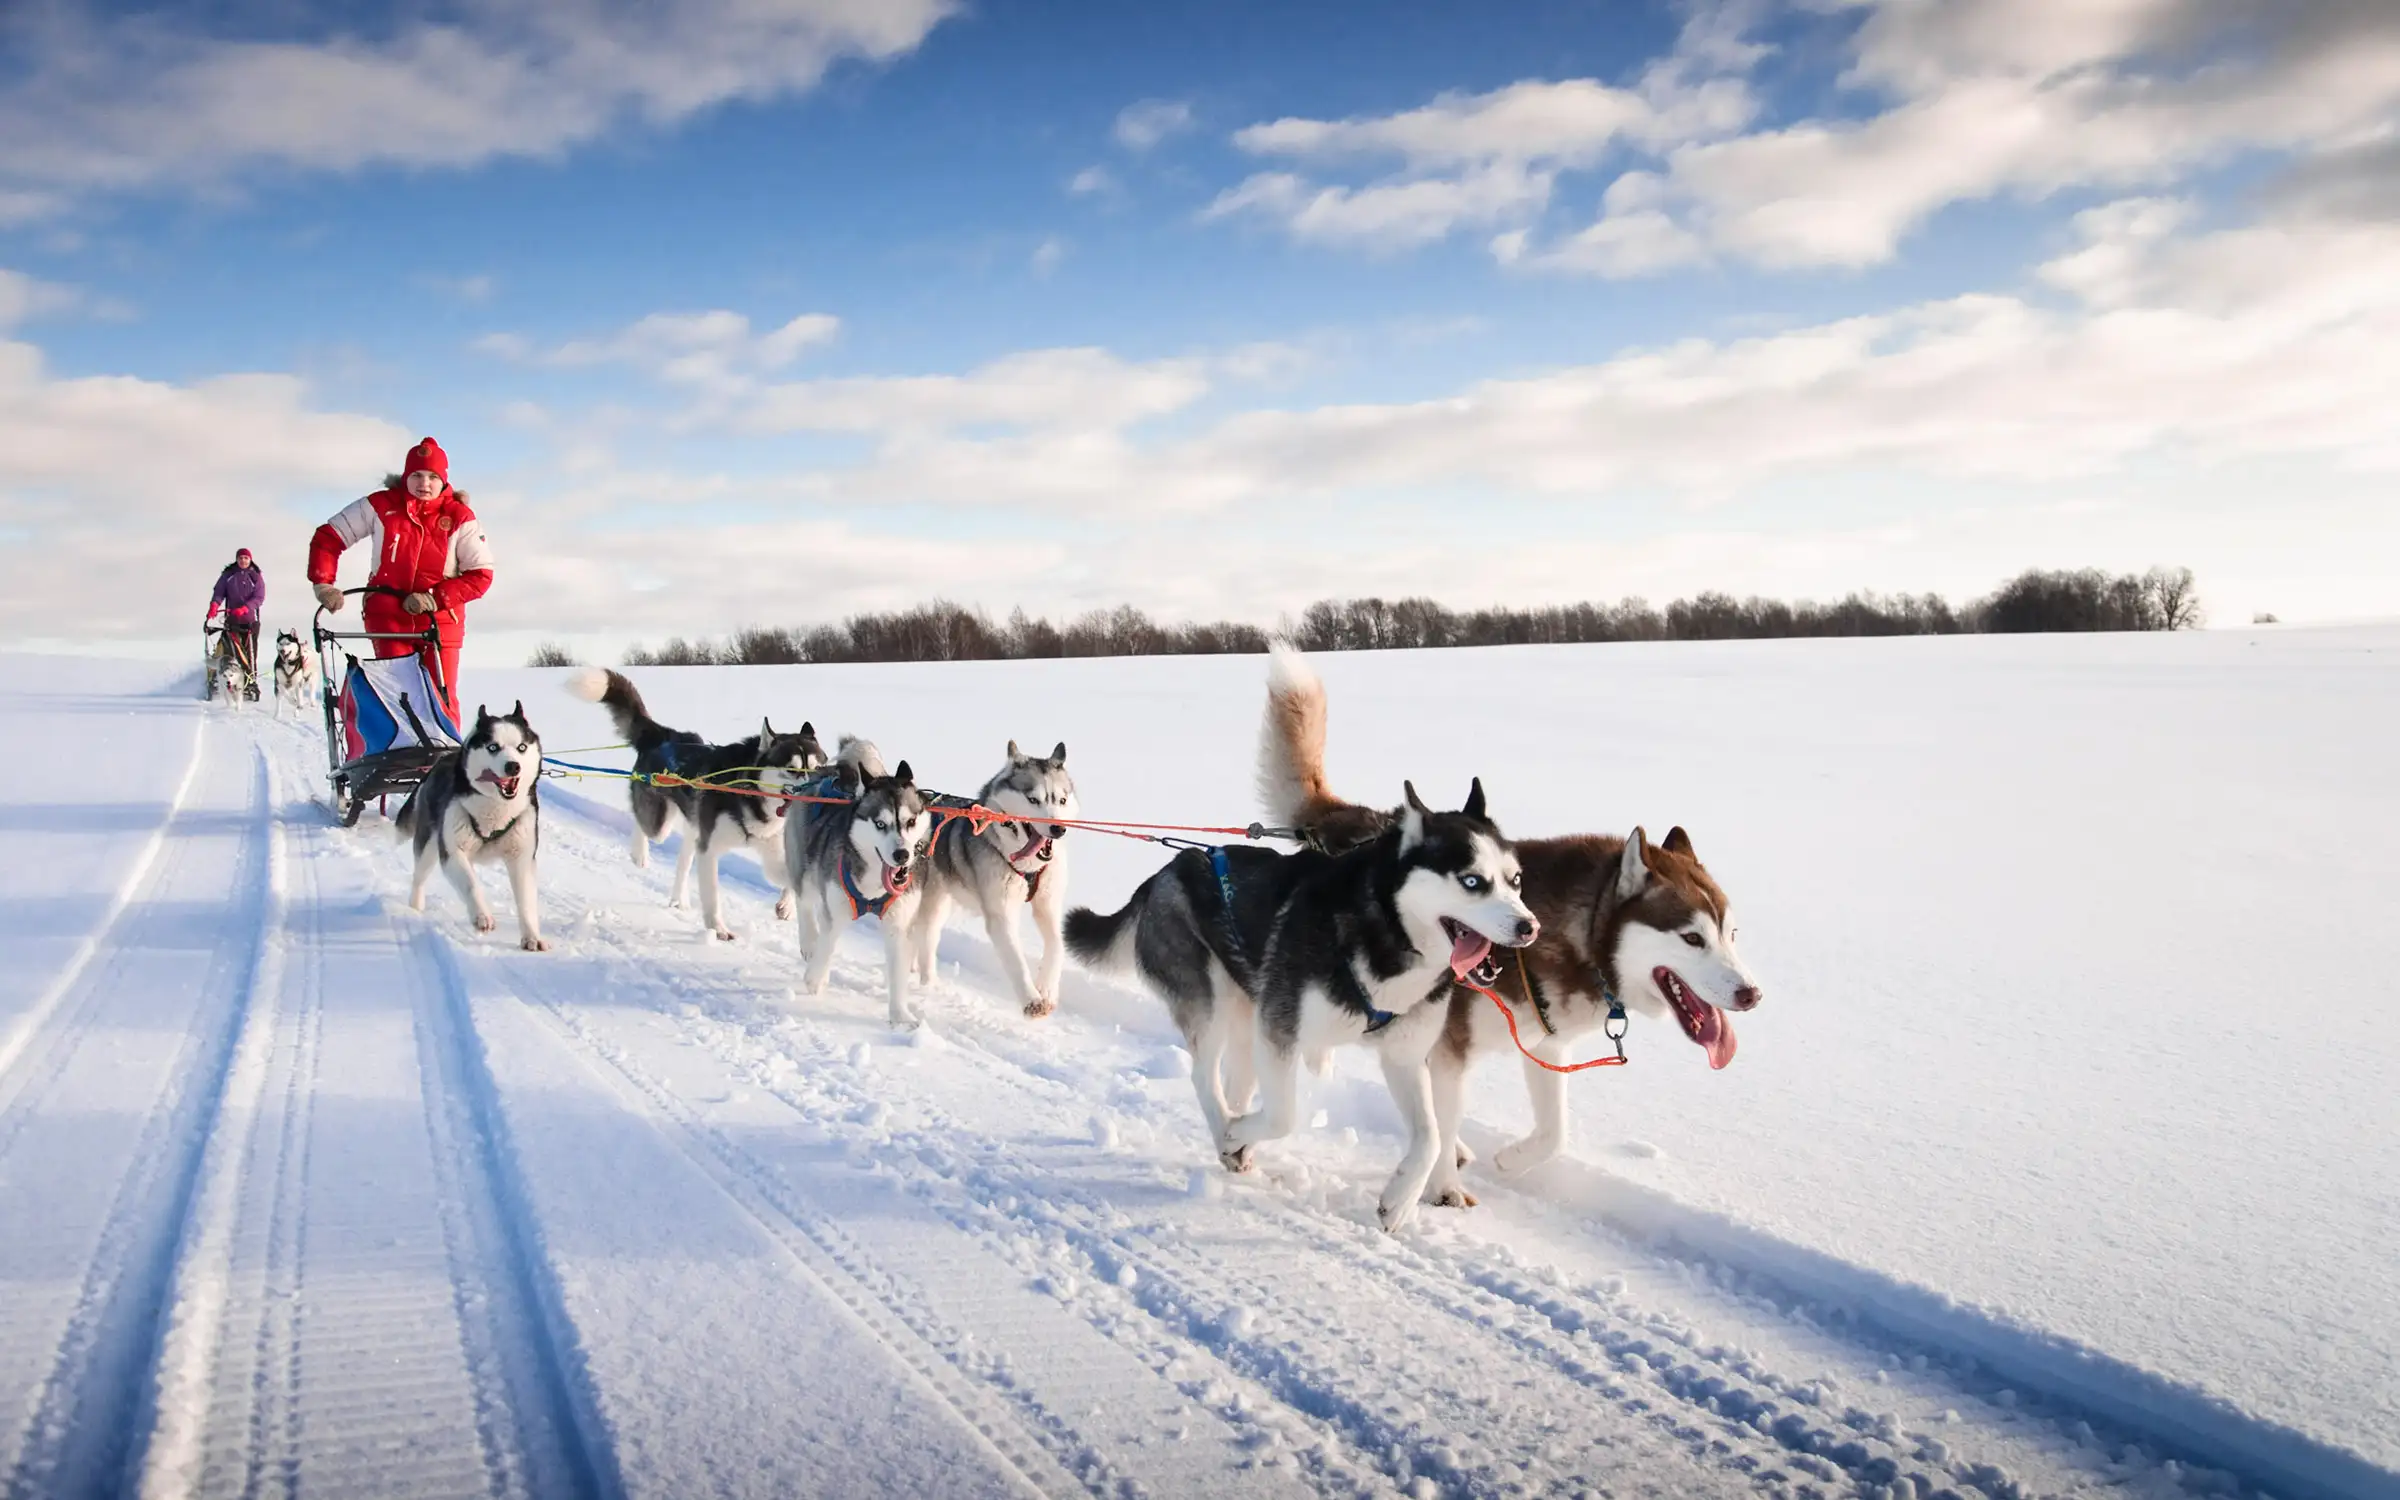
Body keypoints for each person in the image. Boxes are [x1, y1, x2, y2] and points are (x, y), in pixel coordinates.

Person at [306, 437, 493, 724]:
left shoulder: (460, 517)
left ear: (444, 481)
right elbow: (328, 538)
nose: (424, 483)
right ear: (405, 477)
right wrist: (324, 583)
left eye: (433, 477)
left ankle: (446, 763)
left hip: (440, 620)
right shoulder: (380, 506)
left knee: (441, 697)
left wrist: (434, 598)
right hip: (387, 616)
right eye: (417, 475)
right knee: (399, 696)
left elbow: (480, 575)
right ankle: (399, 760)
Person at [206, 546, 265, 699]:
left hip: (250, 621)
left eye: (246, 558)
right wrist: (214, 606)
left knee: (250, 654)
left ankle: (250, 680)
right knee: (229, 651)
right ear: (237, 559)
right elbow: (219, 592)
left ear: (250, 560)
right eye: (240, 558)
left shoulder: (256, 576)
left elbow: (259, 598)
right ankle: (221, 677)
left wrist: (245, 608)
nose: (243, 561)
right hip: (232, 620)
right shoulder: (229, 575)